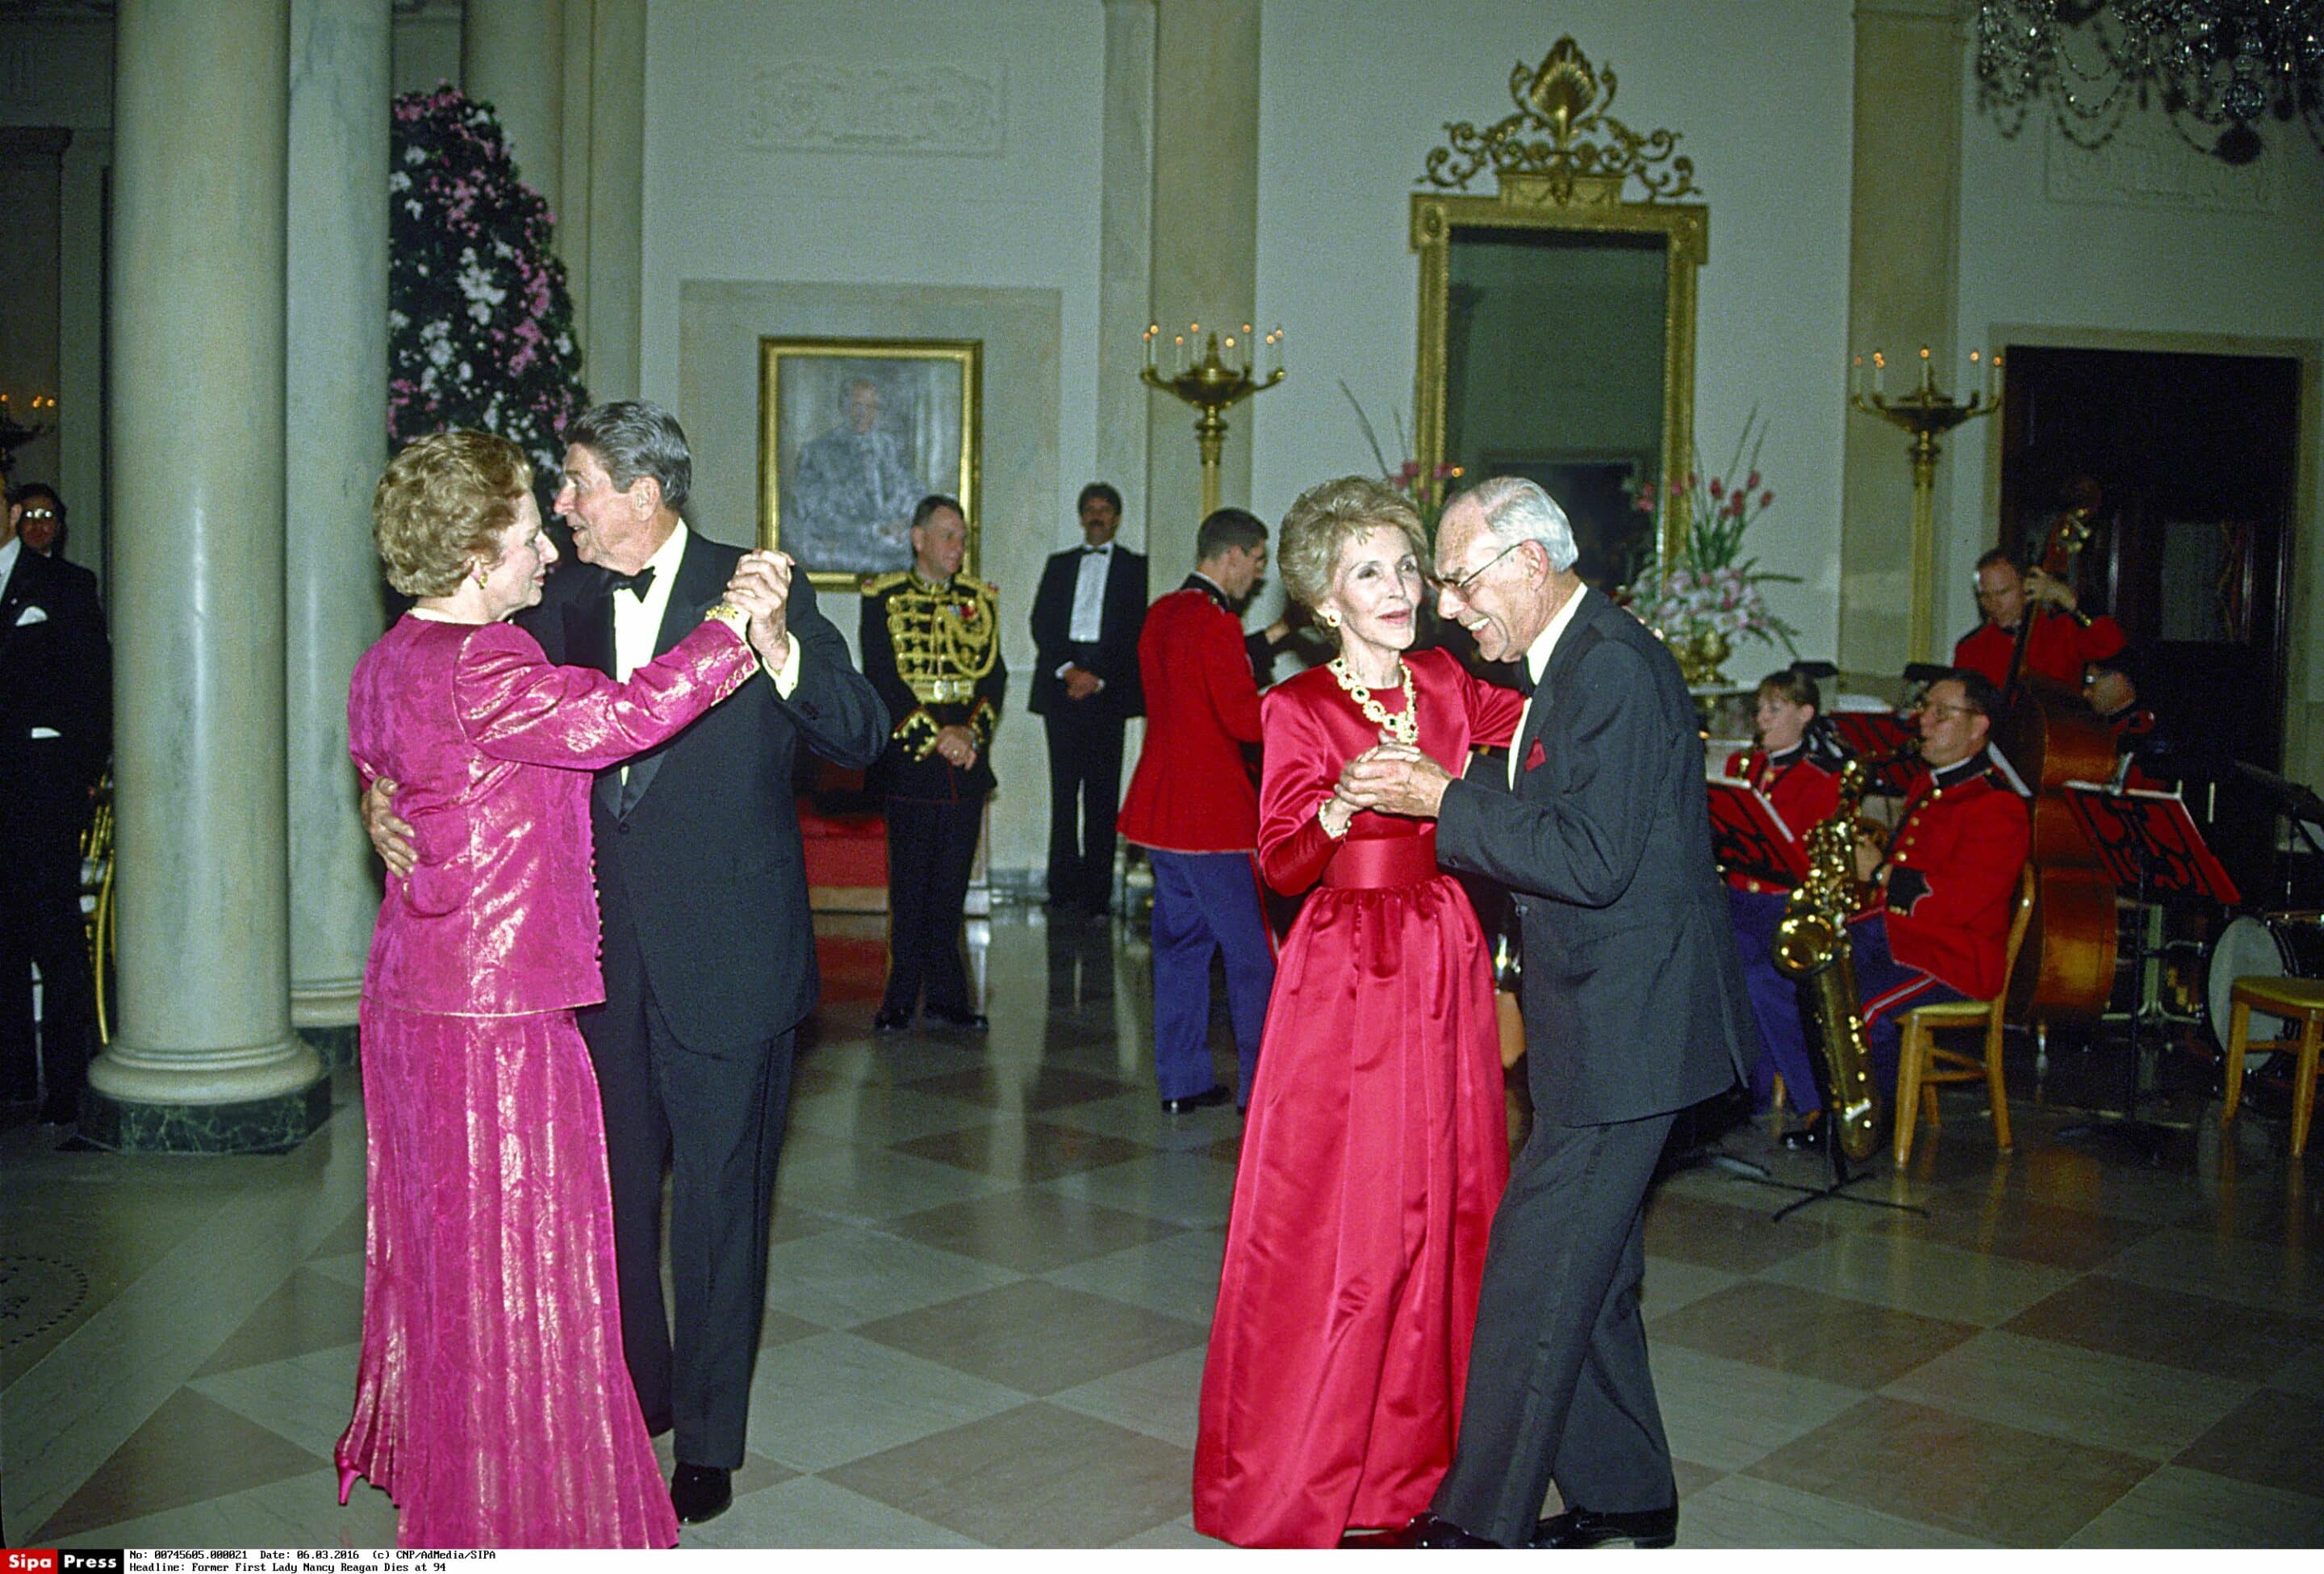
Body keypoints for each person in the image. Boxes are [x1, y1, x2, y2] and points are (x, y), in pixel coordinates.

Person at [364, 400, 889, 1527]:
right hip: (579, 961)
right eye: (555, 491)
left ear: (644, 496)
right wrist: (381, 800)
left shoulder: (758, 590)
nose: (562, 507)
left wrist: (782, 652)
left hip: (732, 953)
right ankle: (631, 1396)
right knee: (598, 1199)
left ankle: (706, 1436)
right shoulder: (535, 598)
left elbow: (862, 733)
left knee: (716, 1205)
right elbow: (432, 716)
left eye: (579, 484)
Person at [1340, 475, 1752, 1551]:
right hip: (1601, 1018)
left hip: (1634, 1026)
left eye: (1464, 582)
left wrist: (1443, 799)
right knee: (1595, 1270)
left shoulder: (1608, 664)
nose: (1453, 608)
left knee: (1533, 1272)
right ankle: (1628, 1493)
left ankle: (1480, 1524)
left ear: (1530, 561)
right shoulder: (1567, 663)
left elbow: (1591, 857)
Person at [1193, 478, 1521, 1547]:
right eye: (1369, 571)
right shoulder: (1296, 708)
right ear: (1324, 599)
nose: (1398, 587)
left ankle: (1429, 1463)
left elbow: (1545, 729)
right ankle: (1326, 1457)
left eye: (1407, 566)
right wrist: (1338, 804)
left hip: (1444, 953)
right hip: (1345, 975)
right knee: (1352, 1218)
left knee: (1451, 1202)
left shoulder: (1447, 679)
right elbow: (1279, 865)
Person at [1735, 670, 2030, 1146]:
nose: (1924, 722)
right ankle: (1824, 1109)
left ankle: (1873, 1119)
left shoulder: (1998, 805)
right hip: (1892, 934)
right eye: (1925, 710)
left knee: (1853, 1004)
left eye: (1941, 713)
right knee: (1770, 979)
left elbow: (1961, 902)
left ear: (1979, 726)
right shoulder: (1928, 787)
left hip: (1951, 956)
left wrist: (1880, 873)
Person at [1116, 507, 1277, 1114]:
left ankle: (1181, 1080)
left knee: (1181, 948)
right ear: (1230, 555)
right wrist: (1294, 706)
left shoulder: (1161, 611)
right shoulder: (1217, 624)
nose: (1257, 577)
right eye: (1257, 562)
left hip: (1160, 807)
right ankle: (1262, 1087)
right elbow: (1241, 718)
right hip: (1209, 814)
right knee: (1252, 956)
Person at [861, 494, 1006, 1032]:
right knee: (911, 890)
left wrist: (969, 734)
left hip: (965, 768)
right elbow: (882, 676)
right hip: (913, 765)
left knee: (950, 889)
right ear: (918, 539)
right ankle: (899, 998)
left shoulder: (979, 600)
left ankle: (950, 997)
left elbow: (995, 677)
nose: (958, 547)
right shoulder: (884, 599)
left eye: (963, 537)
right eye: (948, 535)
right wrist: (936, 737)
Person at [1, 481, 110, 1126]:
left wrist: (77, 773)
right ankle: (12, 1077)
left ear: (13, 513)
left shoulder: (65, 586)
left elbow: (92, 682)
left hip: (39, 783)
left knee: (52, 928)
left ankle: (67, 1084)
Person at [1723, 668, 1847, 1127]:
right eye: (1759, 710)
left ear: (1805, 714)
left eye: (1775, 710)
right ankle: (1729, 1086)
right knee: (1704, 967)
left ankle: (1807, 1095)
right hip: (1737, 898)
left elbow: (1809, 859)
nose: (1762, 720)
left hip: (1783, 907)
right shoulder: (1743, 767)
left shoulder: (1822, 779)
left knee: (1758, 978)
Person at [1029, 482, 1147, 916]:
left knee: (1102, 794)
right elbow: (1042, 622)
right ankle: (1061, 889)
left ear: (1116, 518)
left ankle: (1097, 895)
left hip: (1107, 691)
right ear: (1081, 517)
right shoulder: (1058, 565)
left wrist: (1097, 676)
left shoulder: (1137, 568)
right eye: (1090, 510)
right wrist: (1069, 670)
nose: (1097, 516)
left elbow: (1135, 628)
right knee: (1063, 793)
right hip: (1061, 685)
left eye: (1105, 510)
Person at [787, 377, 926, 576]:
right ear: (843, 407)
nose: (863, 414)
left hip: (891, 551)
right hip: (843, 549)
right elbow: (814, 515)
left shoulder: (888, 446)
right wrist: (874, 530)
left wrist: (907, 520)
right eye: (857, 406)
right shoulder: (818, 452)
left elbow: (911, 489)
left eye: (871, 407)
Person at [1954, 547, 2125, 692]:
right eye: (1985, 596)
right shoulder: (1970, 648)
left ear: (2027, 586)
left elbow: (2112, 644)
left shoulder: (2061, 629)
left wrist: (2069, 600)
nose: (1993, 605)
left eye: (2003, 593)